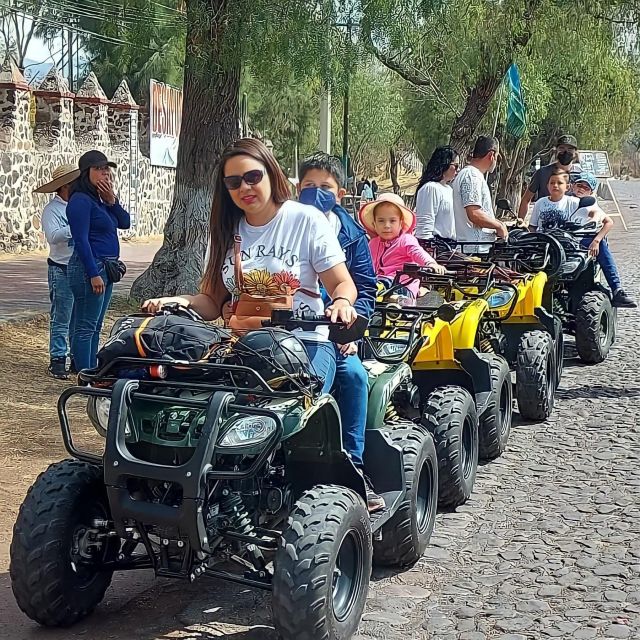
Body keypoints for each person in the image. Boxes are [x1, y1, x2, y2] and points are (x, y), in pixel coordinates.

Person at [142, 139, 384, 511]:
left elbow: (342, 283)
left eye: (252, 176)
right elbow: (211, 302)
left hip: (304, 345)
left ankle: (337, 477)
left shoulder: (305, 220)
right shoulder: (227, 231)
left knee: (283, 408)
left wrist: (340, 303)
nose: (244, 188)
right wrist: (179, 301)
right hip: (242, 347)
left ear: (271, 173)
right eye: (233, 182)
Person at [297, 151, 383, 511]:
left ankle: (354, 470)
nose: (316, 192)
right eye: (308, 186)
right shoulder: (286, 225)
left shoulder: (352, 236)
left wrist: (350, 328)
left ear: (341, 193)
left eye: (325, 187)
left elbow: (364, 288)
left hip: (335, 336)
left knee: (353, 377)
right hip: (286, 332)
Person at [529, 169, 636, 308]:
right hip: (546, 243)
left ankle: (617, 290)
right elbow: (532, 227)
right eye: (579, 185)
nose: (581, 189)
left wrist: (596, 237)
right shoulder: (542, 202)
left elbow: (603, 218)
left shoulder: (579, 202)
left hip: (575, 242)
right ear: (572, 186)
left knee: (601, 245)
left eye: (586, 187)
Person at [66, 150, 131, 371]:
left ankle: (91, 370)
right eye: (99, 169)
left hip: (107, 268)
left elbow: (125, 222)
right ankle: (85, 374)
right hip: (90, 268)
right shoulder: (80, 201)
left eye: (107, 169)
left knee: (95, 326)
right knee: (85, 325)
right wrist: (93, 273)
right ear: (86, 173)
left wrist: (112, 201)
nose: (105, 173)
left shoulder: (101, 201)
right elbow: (81, 240)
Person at [36, 164, 80, 379]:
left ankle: (75, 357)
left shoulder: (81, 206)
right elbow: (53, 236)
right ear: (64, 187)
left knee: (78, 316)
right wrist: (78, 227)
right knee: (62, 315)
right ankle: (58, 359)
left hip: (80, 267)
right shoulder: (52, 210)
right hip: (61, 267)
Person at [359, 193, 447, 297]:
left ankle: (387, 294)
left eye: (392, 221)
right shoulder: (373, 243)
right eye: (381, 221)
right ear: (374, 224)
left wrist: (430, 263)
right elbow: (366, 264)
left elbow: (417, 252)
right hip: (378, 282)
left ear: (401, 223)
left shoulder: (406, 240)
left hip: (403, 285)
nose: (387, 226)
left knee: (384, 284)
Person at [452, 135, 507, 253]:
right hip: (474, 250)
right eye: (497, 157)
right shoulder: (471, 176)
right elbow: (474, 214)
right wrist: (499, 226)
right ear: (491, 155)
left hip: (477, 248)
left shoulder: (473, 175)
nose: (496, 161)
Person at [518, 134, 579, 220]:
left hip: (571, 226)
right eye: (562, 148)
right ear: (555, 151)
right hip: (544, 225)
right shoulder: (542, 173)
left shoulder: (581, 175)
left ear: (575, 152)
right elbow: (526, 200)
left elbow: (589, 202)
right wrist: (520, 222)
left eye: (570, 149)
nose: (565, 152)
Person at [414, 145, 460, 245]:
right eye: (455, 166)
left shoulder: (449, 189)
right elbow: (424, 226)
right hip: (437, 248)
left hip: (451, 246)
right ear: (444, 164)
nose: (458, 170)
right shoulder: (430, 188)